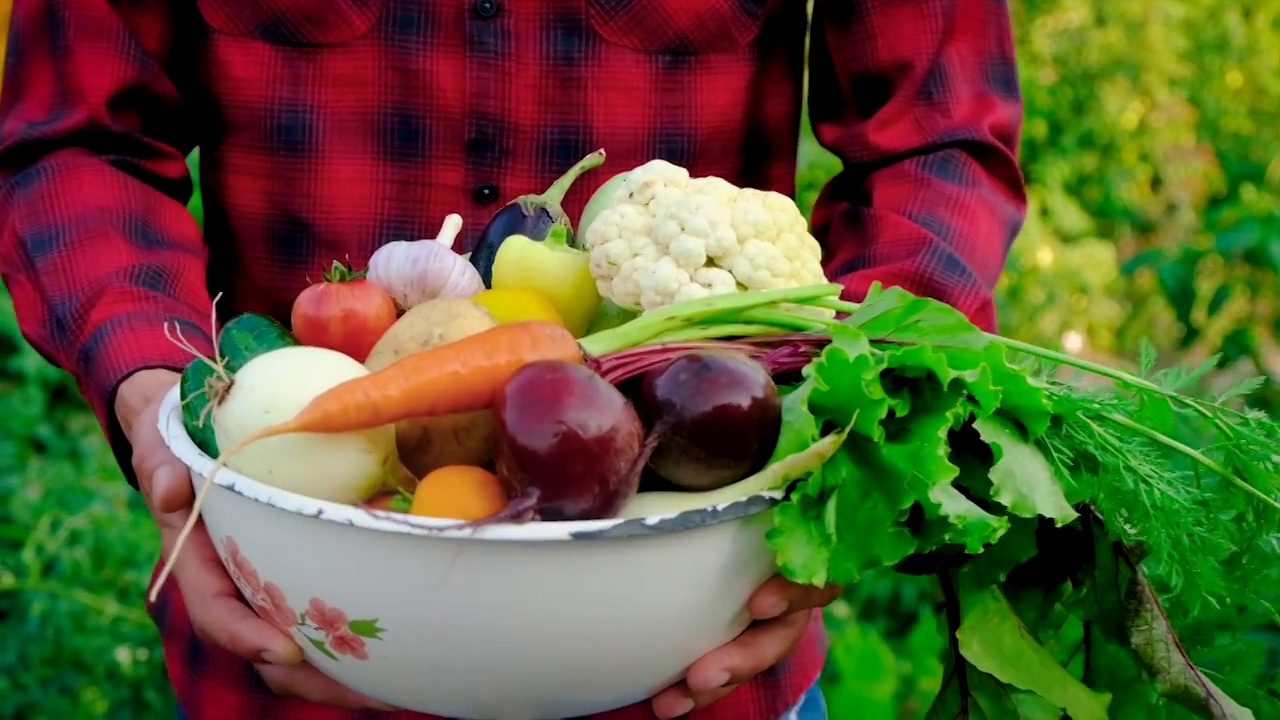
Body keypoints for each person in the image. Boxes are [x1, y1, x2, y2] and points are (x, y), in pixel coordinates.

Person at [0, 0, 1025, 718]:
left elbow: (936, 146)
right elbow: (77, 138)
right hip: (288, 660)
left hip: (694, 658)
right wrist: (153, 408)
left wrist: (842, 447)